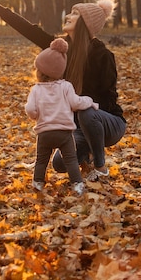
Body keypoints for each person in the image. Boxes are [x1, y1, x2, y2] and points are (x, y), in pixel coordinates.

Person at [0, 0, 126, 182]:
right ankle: (87, 153)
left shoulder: (103, 56)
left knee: (87, 110)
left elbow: (108, 98)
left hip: (109, 123)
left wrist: (84, 113)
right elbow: (28, 29)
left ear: (85, 23)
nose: (68, 16)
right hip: (81, 126)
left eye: (75, 14)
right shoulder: (61, 49)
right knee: (59, 164)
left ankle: (100, 167)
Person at [25, 38, 98, 195]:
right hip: (64, 134)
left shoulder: (36, 90)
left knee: (41, 161)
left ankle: (38, 183)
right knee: (71, 160)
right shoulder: (66, 86)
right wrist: (89, 101)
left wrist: (35, 115)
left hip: (44, 133)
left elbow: (30, 109)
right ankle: (77, 185)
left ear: (39, 71)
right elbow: (77, 103)